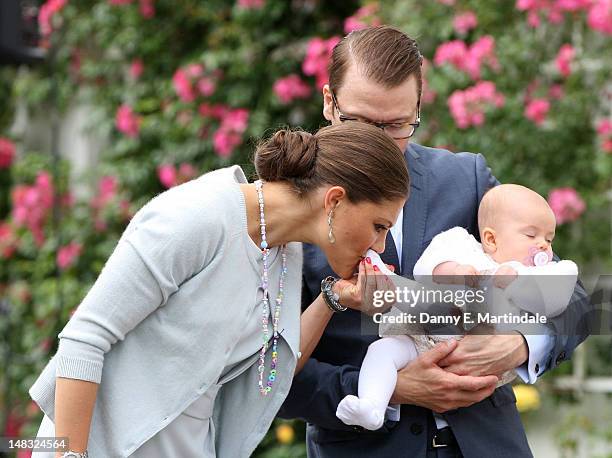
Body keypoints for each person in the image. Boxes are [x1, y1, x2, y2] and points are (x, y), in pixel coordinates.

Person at [278, 26, 592, 457]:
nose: (380, 143)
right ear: (330, 103)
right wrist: (394, 390)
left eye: (397, 125)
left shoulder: (466, 180)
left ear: (419, 108)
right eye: (362, 123)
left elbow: (571, 297)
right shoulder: (292, 200)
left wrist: (517, 345)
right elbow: (270, 371)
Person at [28, 122, 409, 458]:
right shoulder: (197, 216)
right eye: (379, 225)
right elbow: (85, 340)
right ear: (335, 200)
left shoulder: (285, 249)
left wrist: (332, 299)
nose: (380, 245)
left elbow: (272, 372)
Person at [336, 184, 579, 431]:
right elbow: (427, 266)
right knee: (382, 350)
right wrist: (454, 271)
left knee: (424, 302)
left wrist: (518, 283)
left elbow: (563, 297)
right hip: (424, 339)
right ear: (491, 239)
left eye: (549, 239)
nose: (543, 246)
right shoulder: (463, 246)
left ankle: (382, 282)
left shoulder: (540, 272)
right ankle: (372, 406)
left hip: (481, 349)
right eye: (531, 236)